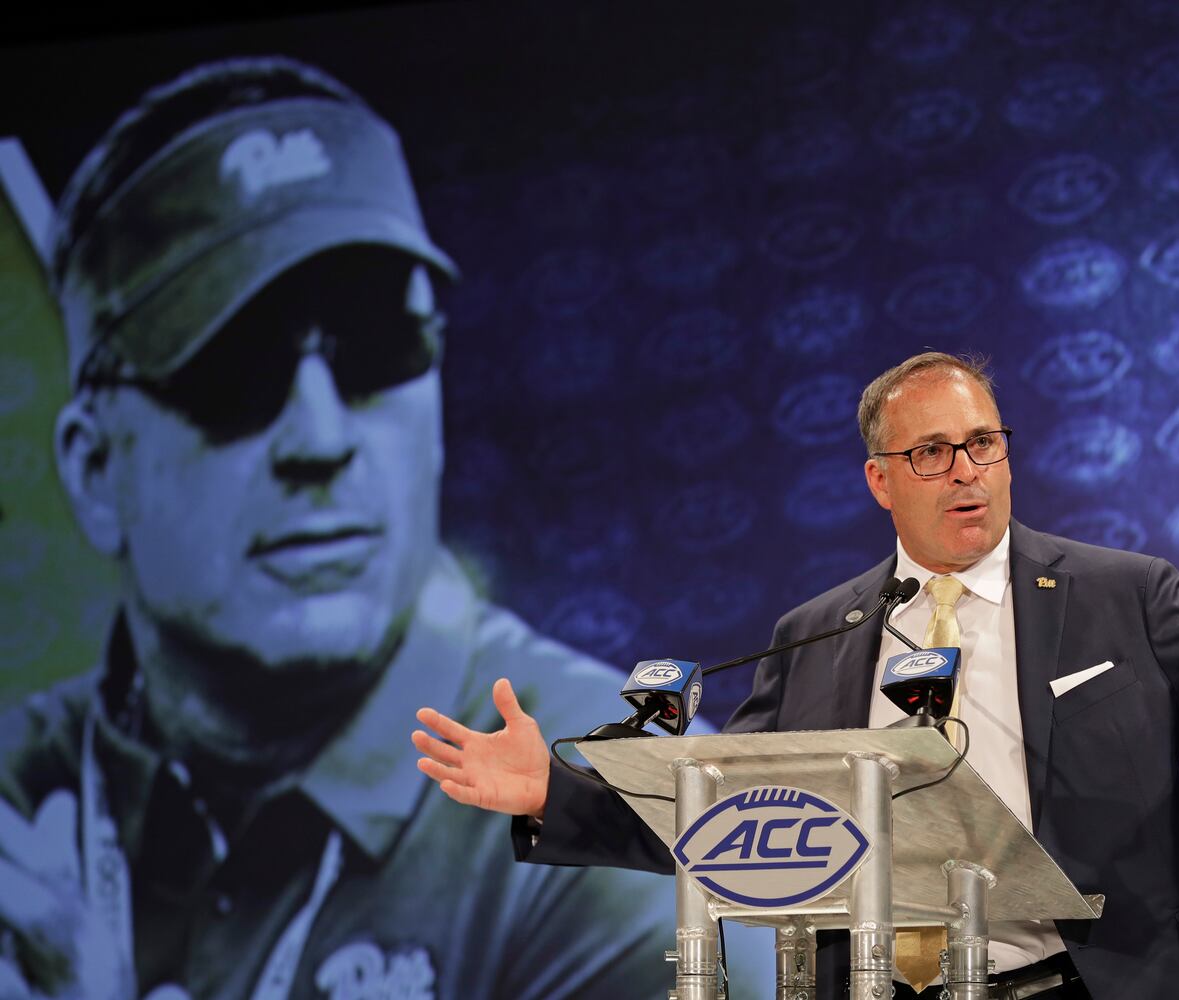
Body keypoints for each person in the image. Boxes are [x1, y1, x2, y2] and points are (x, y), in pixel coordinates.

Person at [413, 351, 1179, 1000]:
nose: (965, 471)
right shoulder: (816, 635)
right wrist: (556, 787)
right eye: (935, 451)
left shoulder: (1124, 595)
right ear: (880, 479)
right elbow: (722, 815)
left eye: (983, 445)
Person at [0, 57, 678, 999]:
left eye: (378, 349)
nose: (319, 439)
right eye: (230, 369)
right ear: (95, 468)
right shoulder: (14, 785)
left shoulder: (632, 815)